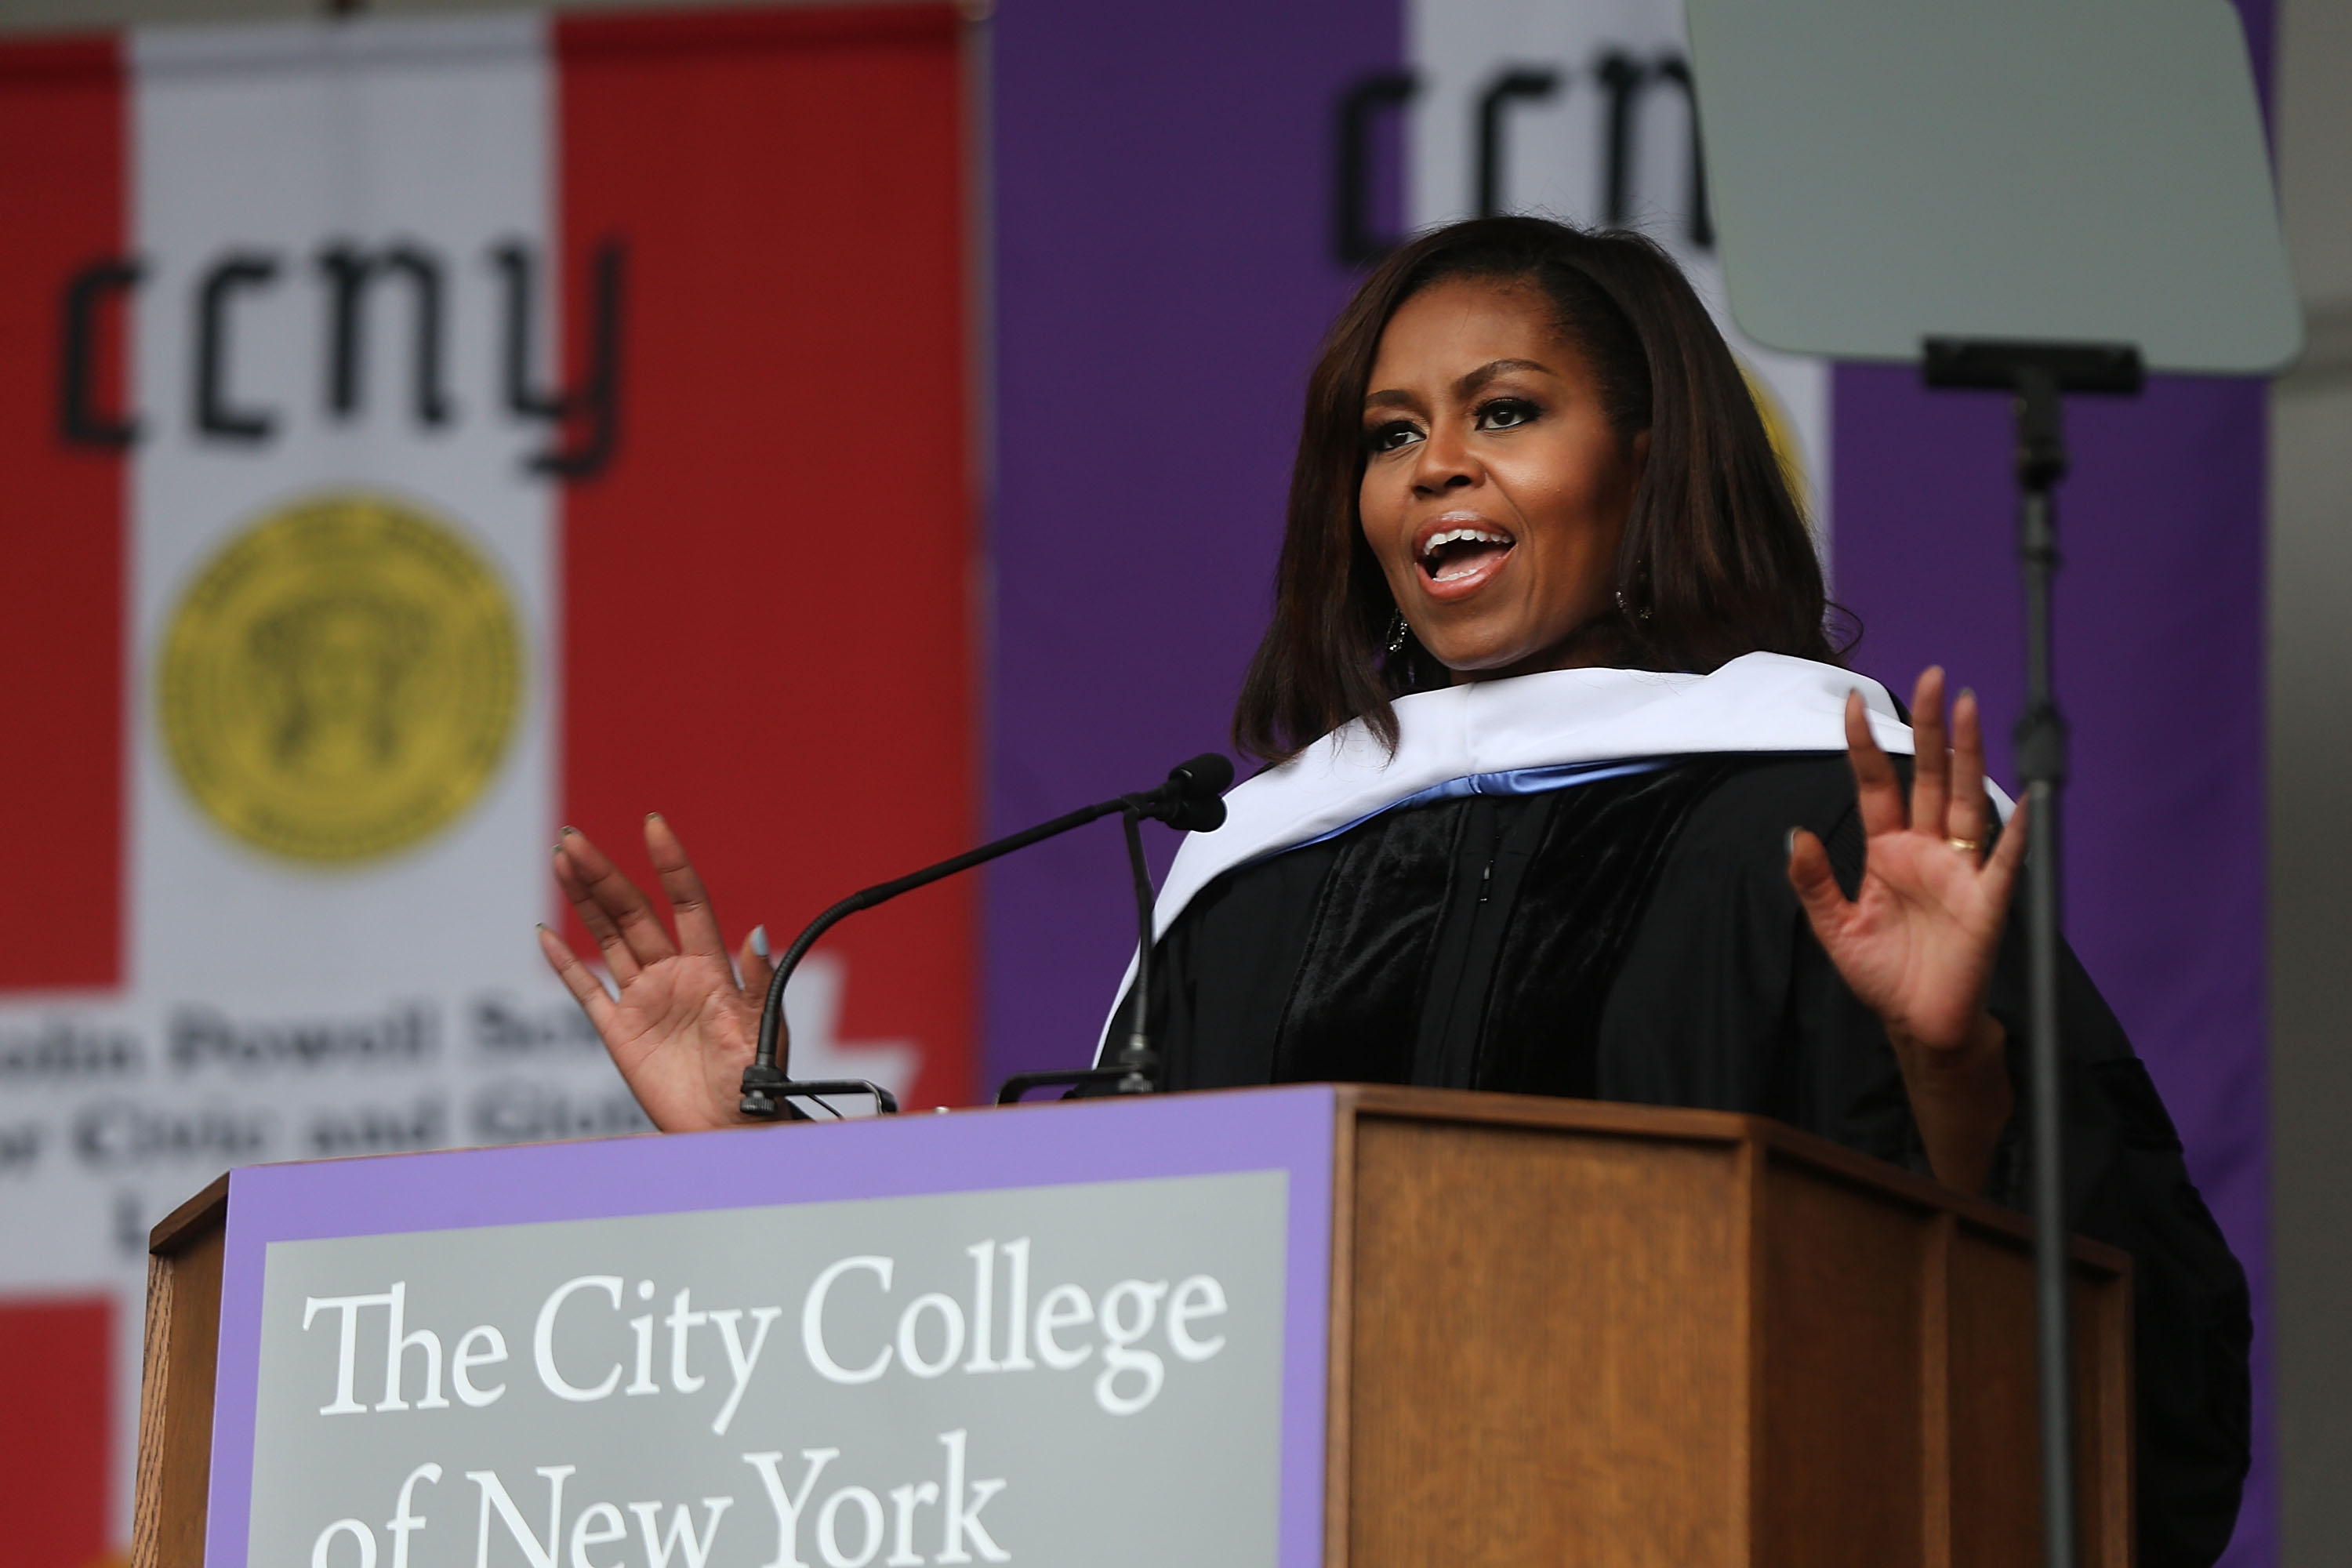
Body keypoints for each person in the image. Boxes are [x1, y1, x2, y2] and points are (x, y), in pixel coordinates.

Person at [538, 216, 2249, 1566]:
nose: (1436, 466)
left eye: (1506, 413)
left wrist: (1958, 1068)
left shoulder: (1825, 813)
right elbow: (1087, 1338)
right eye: (1392, 434)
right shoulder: (1250, 865)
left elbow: (2089, 1374)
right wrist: (764, 1162)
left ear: (1647, 463)